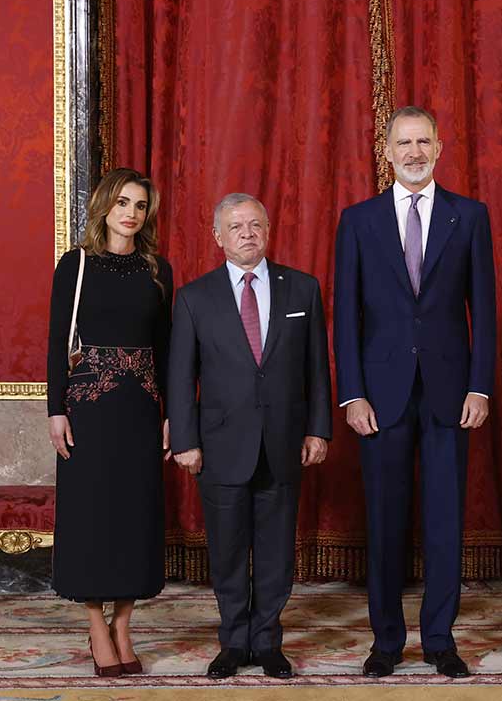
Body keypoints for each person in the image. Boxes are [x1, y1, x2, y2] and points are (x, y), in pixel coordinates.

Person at [333, 105, 496, 679]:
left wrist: (480, 385)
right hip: (380, 395)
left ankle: (439, 639)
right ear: (387, 150)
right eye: (403, 143)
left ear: (440, 147)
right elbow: (345, 314)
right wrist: (351, 393)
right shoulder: (358, 219)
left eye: (423, 141)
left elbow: (485, 308)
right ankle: (385, 641)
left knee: (445, 518)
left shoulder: (469, 217)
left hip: (452, 394)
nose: (413, 152)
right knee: (384, 519)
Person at [168, 193, 332, 680]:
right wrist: (185, 441)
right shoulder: (194, 297)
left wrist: (318, 429)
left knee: (278, 550)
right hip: (219, 446)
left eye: (256, 225)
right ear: (218, 237)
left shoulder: (302, 289)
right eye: (236, 227)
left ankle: (268, 642)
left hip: (284, 443)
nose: (247, 233)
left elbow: (317, 370)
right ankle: (234, 642)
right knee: (229, 550)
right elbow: (181, 377)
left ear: (268, 231)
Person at [47, 168, 173, 677]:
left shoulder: (158, 269)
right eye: (123, 202)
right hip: (89, 408)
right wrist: (56, 409)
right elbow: (58, 340)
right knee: (92, 514)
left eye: (140, 206)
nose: (131, 213)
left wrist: (172, 417)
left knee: (134, 517)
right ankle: (96, 623)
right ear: (104, 206)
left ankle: (124, 624)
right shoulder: (75, 264)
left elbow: (166, 350)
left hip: (141, 409)